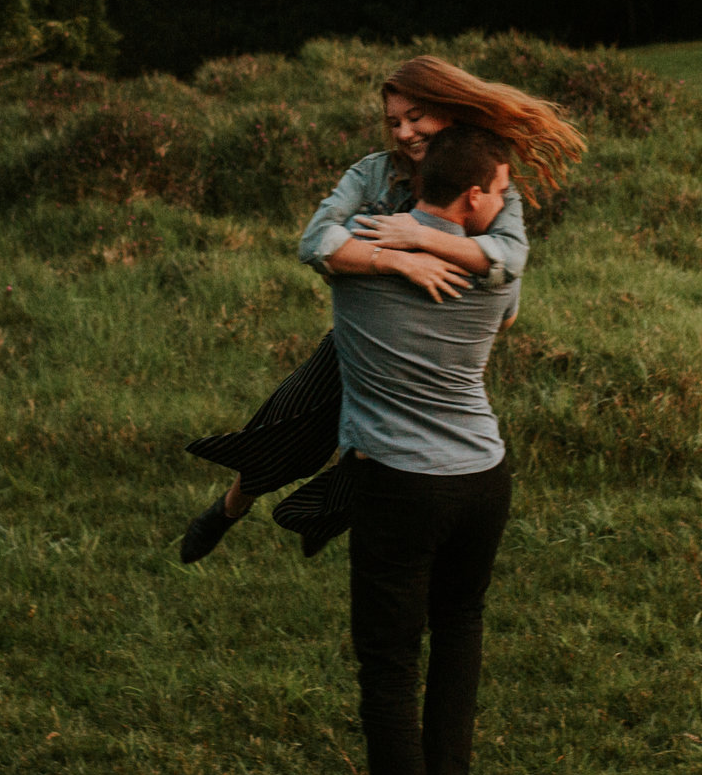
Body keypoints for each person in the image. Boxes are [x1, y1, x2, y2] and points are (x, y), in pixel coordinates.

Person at [177, 56, 582, 560]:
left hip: (436, 344)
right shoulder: (374, 174)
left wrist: (418, 235)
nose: (406, 133)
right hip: (364, 334)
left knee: (389, 450)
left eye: (417, 116)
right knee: (289, 425)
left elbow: (510, 258)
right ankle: (228, 510)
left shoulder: (490, 176)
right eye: (395, 122)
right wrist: (394, 262)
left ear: (450, 110)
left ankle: (327, 513)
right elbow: (314, 243)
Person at [325, 124, 524, 775]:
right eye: (501, 192)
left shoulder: (357, 256)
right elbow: (505, 295)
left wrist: (391, 248)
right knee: (461, 617)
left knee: (388, 665)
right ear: (472, 197)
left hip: (400, 482)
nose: (505, 205)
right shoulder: (499, 275)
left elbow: (318, 242)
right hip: (483, 473)